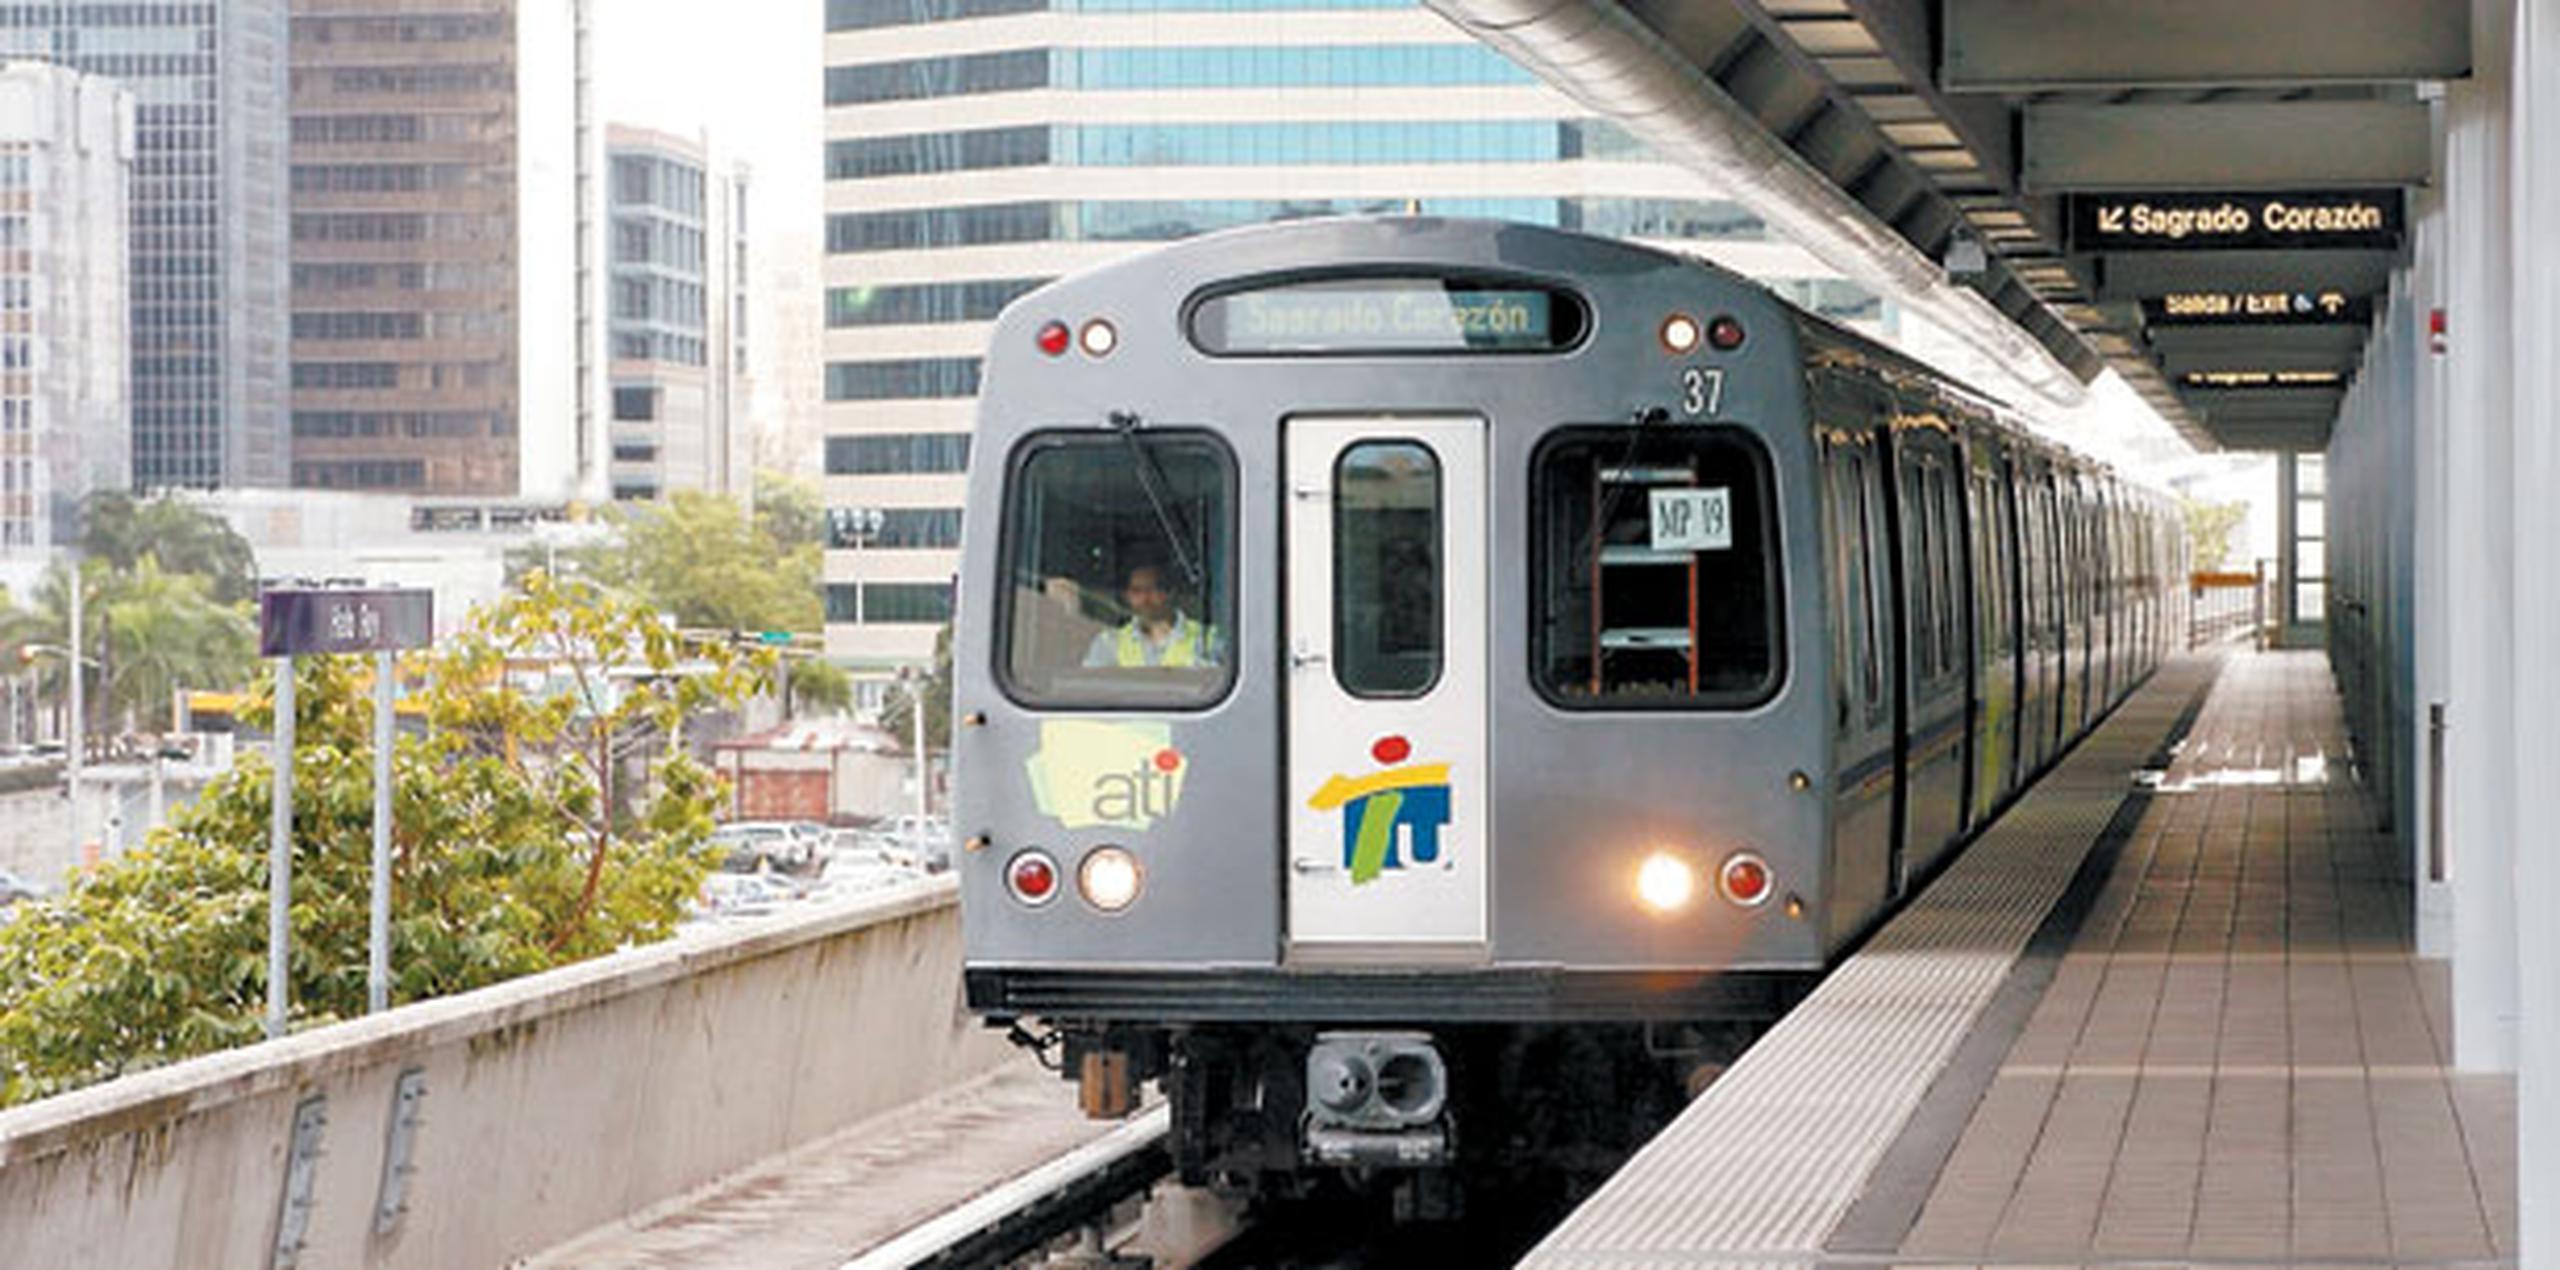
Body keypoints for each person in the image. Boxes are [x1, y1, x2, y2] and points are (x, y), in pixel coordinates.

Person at [1082, 563, 1222, 668]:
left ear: (1170, 592)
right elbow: (1095, 688)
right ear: (1127, 596)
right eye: (1137, 591)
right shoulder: (1109, 642)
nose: (1145, 598)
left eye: (1153, 589)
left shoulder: (1206, 639)